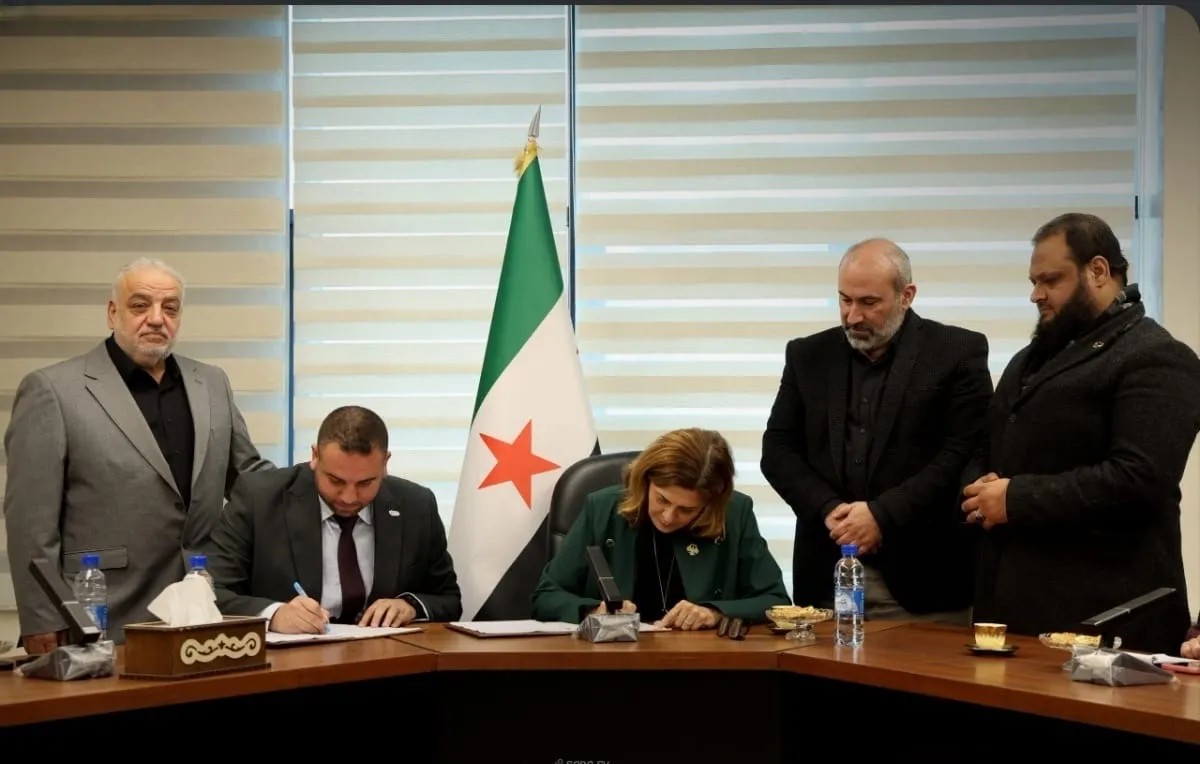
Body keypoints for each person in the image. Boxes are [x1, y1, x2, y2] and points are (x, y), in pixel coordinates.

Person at [3, 258, 272, 650]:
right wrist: (42, 617)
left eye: (170, 308)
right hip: (102, 613)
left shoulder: (212, 383)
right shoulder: (53, 390)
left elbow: (249, 479)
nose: (157, 318)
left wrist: (317, 476)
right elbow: (30, 521)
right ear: (113, 313)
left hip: (201, 611)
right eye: (140, 305)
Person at [963, 212, 1200, 655]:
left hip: (1110, 621)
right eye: (1033, 281)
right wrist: (980, 487)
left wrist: (1016, 499)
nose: (1036, 294)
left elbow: (1140, 478)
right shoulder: (1028, 360)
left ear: (1099, 271)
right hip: (1012, 609)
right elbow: (991, 442)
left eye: (1051, 280)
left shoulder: (1159, 357)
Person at [761, 238, 992, 623]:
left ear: (906, 296)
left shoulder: (956, 351)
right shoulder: (807, 355)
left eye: (869, 303)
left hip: (926, 584)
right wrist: (829, 511)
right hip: (826, 579)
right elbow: (778, 450)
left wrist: (882, 515)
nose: (853, 316)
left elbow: (963, 453)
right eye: (845, 300)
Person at [205, 405, 461, 632]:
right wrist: (274, 614)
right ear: (315, 456)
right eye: (335, 481)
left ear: (385, 463)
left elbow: (449, 599)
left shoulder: (416, 506)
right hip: (291, 664)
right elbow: (210, 592)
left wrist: (410, 606)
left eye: (365, 483)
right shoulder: (259, 498)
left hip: (386, 660)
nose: (349, 497)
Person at [531, 428, 789, 629]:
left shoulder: (734, 513)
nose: (668, 517)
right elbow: (546, 597)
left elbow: (775, 601)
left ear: (711, 503)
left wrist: (715, 613)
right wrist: (593, 611)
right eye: (662, 500)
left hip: (703, 662)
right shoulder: (602, 508)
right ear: (645, 482)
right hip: (614, 661)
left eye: (686, 509)